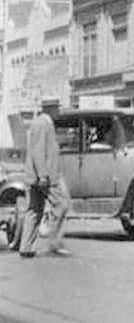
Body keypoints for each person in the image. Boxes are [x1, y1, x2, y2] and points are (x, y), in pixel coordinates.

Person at [19, 105, 71, 258]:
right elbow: (39, 151)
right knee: (62, 204)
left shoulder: (38, 122)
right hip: (45, 177)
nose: (59, 111)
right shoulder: (44, 124)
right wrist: (43, 175)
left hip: (33, 176)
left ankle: (26, 247)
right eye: (57, 107)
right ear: (51, 108)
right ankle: (54, 243)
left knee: (34, 210)